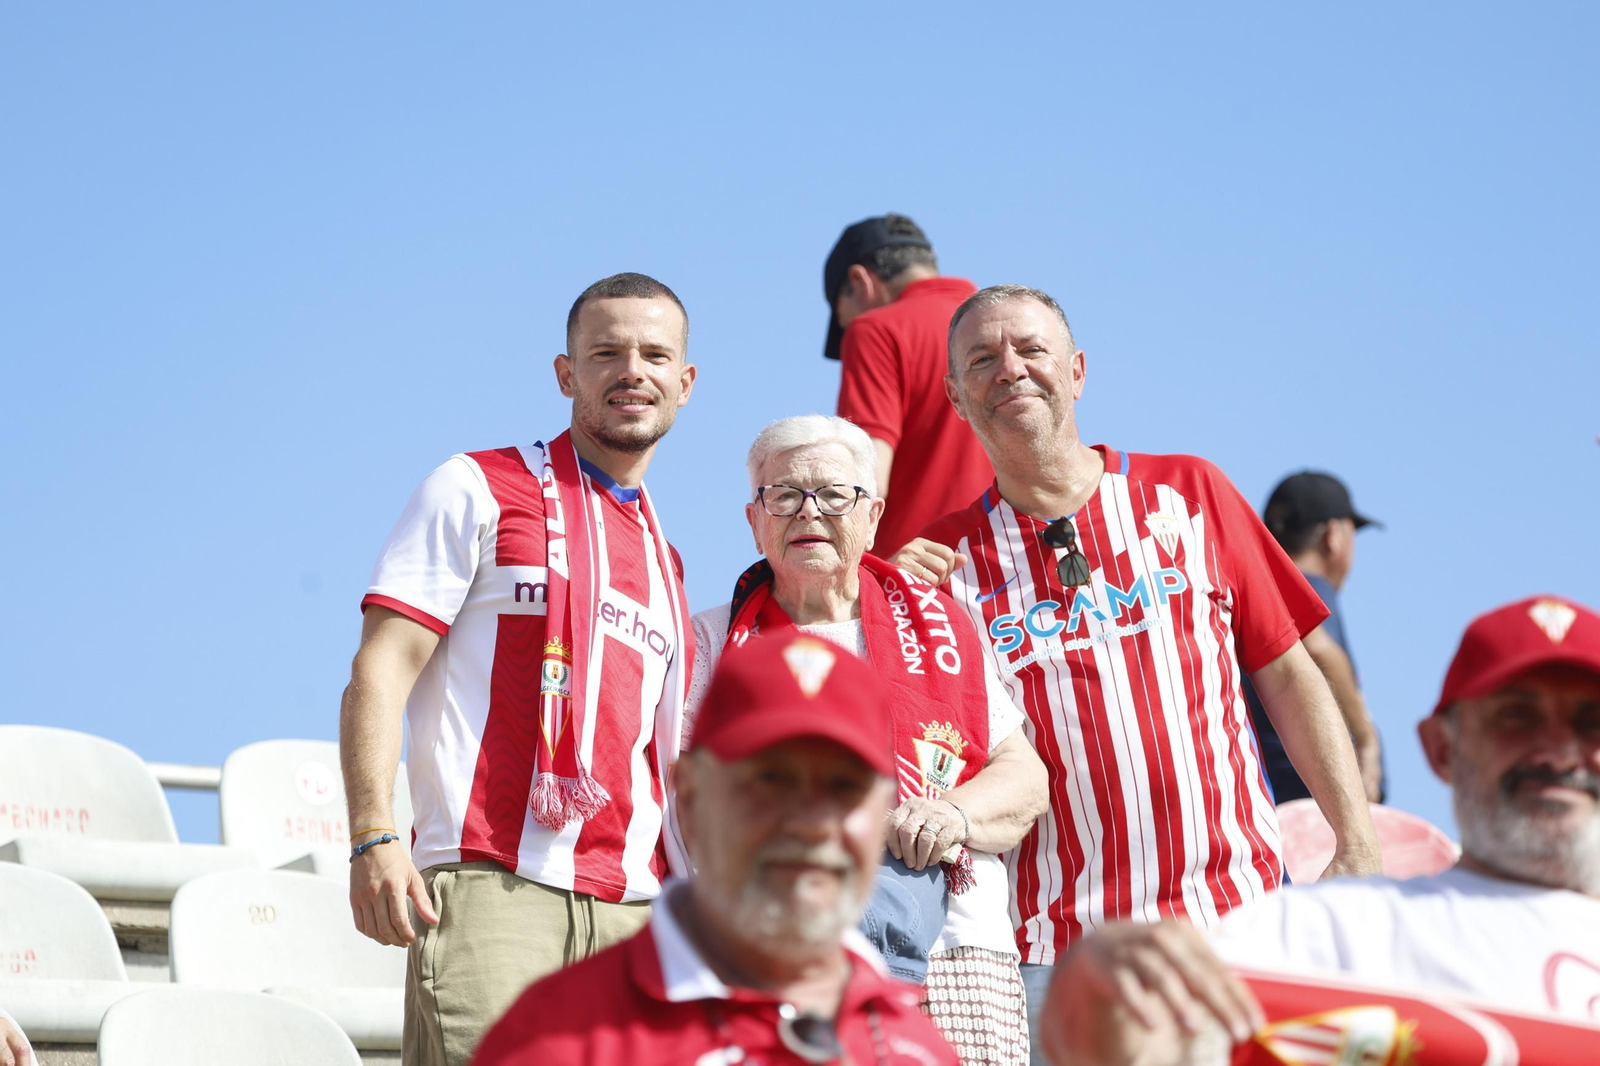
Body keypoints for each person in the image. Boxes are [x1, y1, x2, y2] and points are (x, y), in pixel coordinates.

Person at [893, 284, 1382, 1060]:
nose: (1009, 369)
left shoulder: (1190, 494)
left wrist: (1355, 840)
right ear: (956, 396)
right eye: (982, 360)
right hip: (1060, 962)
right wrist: (882, 605)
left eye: (1031, 349)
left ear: (1078, 370)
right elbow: (915, 756)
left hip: (1238, 930)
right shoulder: (940, 567)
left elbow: (1288, 675)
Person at [339, 272, 698, 1066]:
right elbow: (381, 667)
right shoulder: (475, 487)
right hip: (492, 883)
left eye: (653, 354)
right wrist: (373, 835)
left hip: (631, 914)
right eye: (605, 352)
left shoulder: (668, 561)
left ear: (685, 382)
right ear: (567, 374)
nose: (630, 370)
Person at [1042, 594, 1600, 1065]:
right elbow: (1123, 1039)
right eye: (1517, 717)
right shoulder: (1332, 931)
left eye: (1590, 721)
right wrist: (1093, 979)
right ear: (1441, 748)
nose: (1558, 752)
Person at [687, 414, 1049, 1065]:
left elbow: (1023, 777)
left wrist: (951, 812)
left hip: (957, 952)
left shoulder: (942, 624)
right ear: (754, 519)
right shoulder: (709, 642)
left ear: (874, 514)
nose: (809, 513)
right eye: (784, 495)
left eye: (833, 495)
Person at [472, 633, 959, 1065]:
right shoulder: (556, 1039)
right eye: (770, 780)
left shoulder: (918, 1050)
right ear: (694, 796)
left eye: (844, 788)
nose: (811, 823)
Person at [824, 213, 993, 555]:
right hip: (1013, 569)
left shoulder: (876, 330)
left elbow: (866, 477)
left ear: (860, 282)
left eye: (845, 316)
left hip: (921, 576)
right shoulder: (1003, 324)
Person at [1242, 471, 1384, 803]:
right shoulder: (1311, 594)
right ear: (1333, 535)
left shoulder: (1247, 593)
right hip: (1307, 819)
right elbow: (1314, 645)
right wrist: (1366, 741)